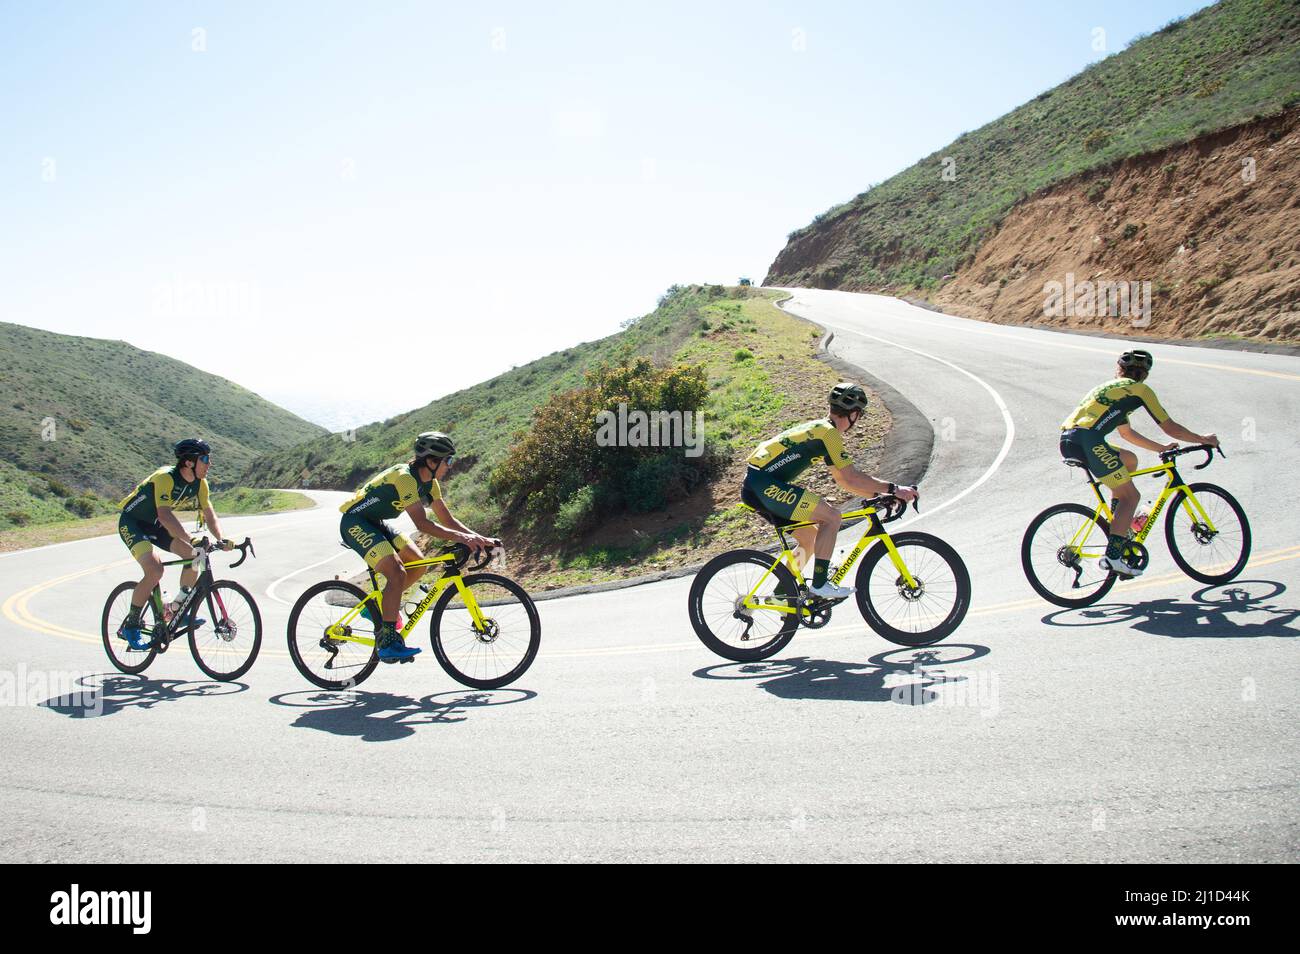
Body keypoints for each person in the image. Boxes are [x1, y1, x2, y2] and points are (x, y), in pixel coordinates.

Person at [743, 382, 918, 600]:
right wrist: (894, 489)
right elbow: (851, 476)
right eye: (860, 415)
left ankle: (783, 595)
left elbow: (843, 480)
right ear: (853, 414)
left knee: (809, 539)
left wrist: (880, 495)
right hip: (763, 484)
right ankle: (819, 585)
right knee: (832, 517)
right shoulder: (829, 434)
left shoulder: (821, 430)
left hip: (757, 484)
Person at [338, 431, 496, 662]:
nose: (450, 466)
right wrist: (464, 539)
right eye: (448, 461)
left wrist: (480, 538)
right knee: (396, 572)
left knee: (418, 564)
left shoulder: (431, 484)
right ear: (432, 461)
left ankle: (376, 608)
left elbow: (448, 521)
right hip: (355, 522)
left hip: (376, 523)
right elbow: (422, 523)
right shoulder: (404, 478)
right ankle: (388, 643)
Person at [1060, 349, 1219, 577]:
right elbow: (1170, 427)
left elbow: (1127, 434)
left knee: (1129, 460)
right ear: (1145, 375)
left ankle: (1119, 526)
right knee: (1131, 497)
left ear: (1119, 370)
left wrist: (1161, 449)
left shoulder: (1111, 390)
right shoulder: (1141, 390)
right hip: (1088, 440)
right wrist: (1204, 440)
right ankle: (1114, 556)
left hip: (1069, 439)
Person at [117, 438, 233, 648]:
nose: (209, 464)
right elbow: (165, 516)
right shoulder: (165, 478)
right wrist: (191, 539)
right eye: (205, 459)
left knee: (195, 555)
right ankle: (131, 625)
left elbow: (209, 513)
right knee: (154, 570)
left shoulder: (200, 483)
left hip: (156, 525)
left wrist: (220, 539)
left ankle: (177, 608)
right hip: (134, 523)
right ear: (189, 462)